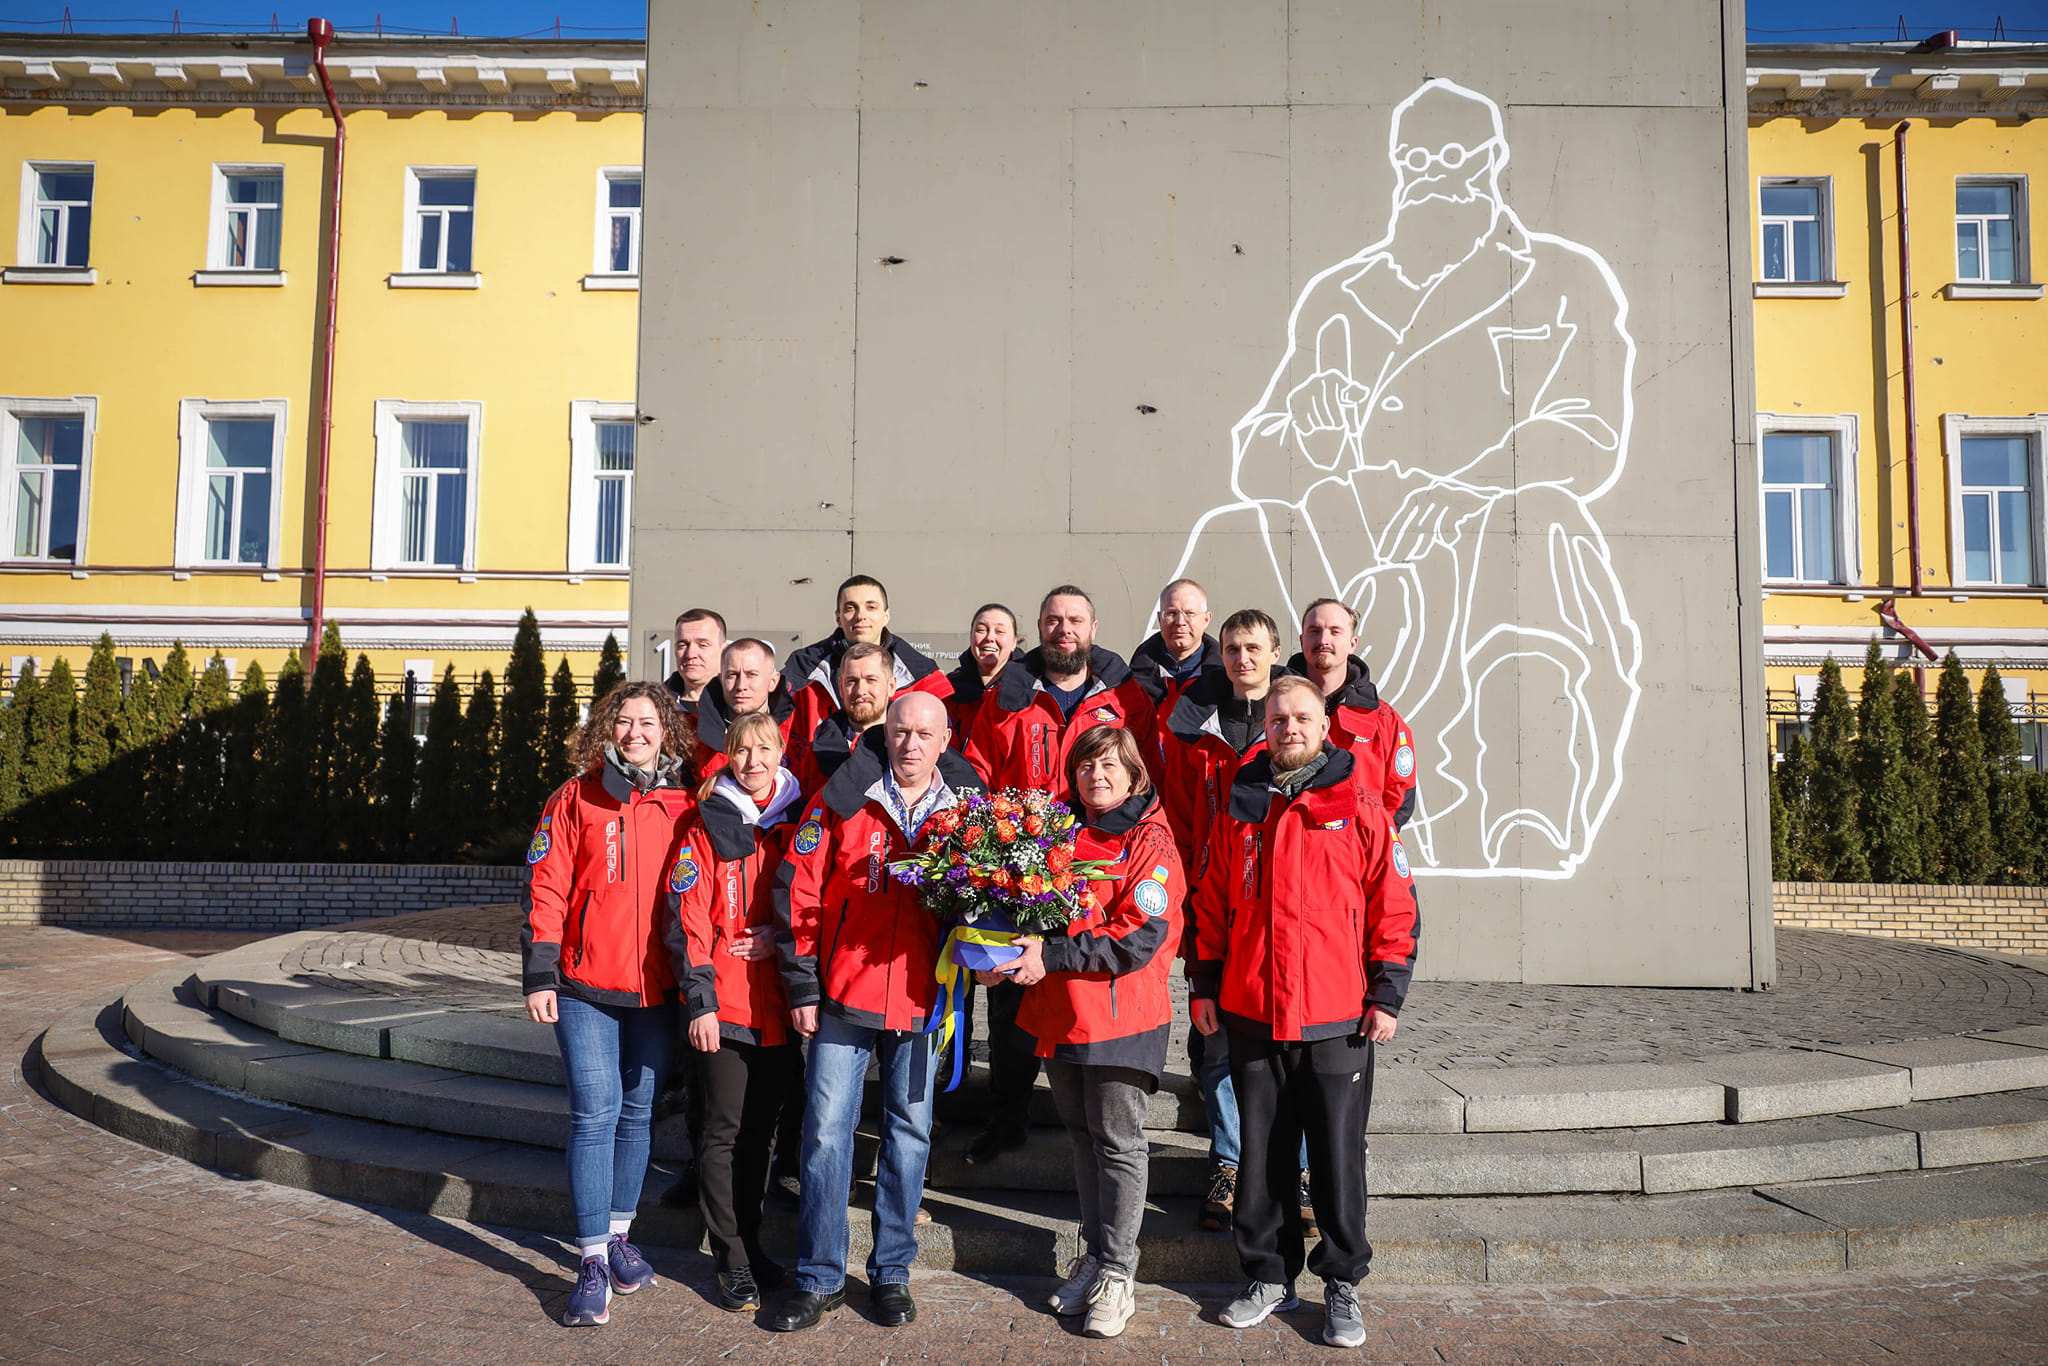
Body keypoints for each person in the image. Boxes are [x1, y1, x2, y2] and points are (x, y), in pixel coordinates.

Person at [1164, 77, 1640, 878]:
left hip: (1478, 531)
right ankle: (1231, 781)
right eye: (1417, 159)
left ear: (1491, 164)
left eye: (1456, 157)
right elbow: (1256, 452)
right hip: (1353, 533)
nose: (1436, 175)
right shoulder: (1342, 296)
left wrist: (1473, 486)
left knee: (1538, 523)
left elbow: (1589, 433)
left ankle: (1526, 798)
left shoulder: (1559, 279)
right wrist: (1305, 432)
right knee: (1228, 524)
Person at [1189, 675, 1419, 1350]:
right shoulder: (1240, 807)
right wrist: (1204, 984)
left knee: (1337, 1157)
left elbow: (1393, 903)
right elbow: (1209, 903)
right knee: (1260, 1157)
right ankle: (1268, 1276)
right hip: (1254, 1008)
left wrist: (1387, 992)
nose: (1289, 727)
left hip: (1338, 1014)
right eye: (1279, 718)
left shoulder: (1361, 804)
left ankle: (1341, 1283)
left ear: (1324, 728)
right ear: (1266, 726)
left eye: (1302, 718)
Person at [769, 692, 988, 1333]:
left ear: (945, 740)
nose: (911, 744)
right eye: (899, 732)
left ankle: (891, 1272)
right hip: (842, 996)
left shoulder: (971, 818)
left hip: (924, 1001)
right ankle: (819, 1276)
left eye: (924, 733)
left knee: (909, 1135)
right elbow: (798, 891)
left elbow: (990, 912)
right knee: (825, 1134)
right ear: (883, 735)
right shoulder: (843, 805)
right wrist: (803, 987)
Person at [978, 725, 1184, 1339]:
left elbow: (1139, 936)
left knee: (1118, 1142)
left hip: (1122, 1015)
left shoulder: (1152, 842)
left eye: (1109, 766)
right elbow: (1025, 908)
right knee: (1081, 1138)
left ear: (1134, 774)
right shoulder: (1057, 833)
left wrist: (1052, 956)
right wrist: (994, 956)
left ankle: (1119, 1273)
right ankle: (1095, 1258)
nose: (1097, 776)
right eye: (1087, 766)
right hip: (1058, 1012)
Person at [520, 681, 698, 1328]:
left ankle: (621, 1236)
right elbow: (547, 886)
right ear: (607, 729)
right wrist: (540, 974)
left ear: (667, 732)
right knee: (595, 1114)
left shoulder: (687, 803)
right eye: (623, 722)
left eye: (648, 722)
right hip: (584, 986)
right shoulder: (576, 798)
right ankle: (591, 1257)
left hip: (656, 992)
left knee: (638, 1114)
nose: (635, 732)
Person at [961, 584, 1157, 1166]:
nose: (1063, 629)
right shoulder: (1009, 698)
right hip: (1017, 867)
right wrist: (994, 842)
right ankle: (1008, 1115)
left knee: (1082, 975)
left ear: (1092, 629)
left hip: (1097, 864)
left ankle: (1087, 1106)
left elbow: (1146, 774)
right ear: (1038, 629)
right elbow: (976, 770)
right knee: (1009, 997)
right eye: (1052, 620)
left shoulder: (1124, 699)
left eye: (1074, 620)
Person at [1153, 608, 1307, 1235]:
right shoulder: (1196, 733)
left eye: (1255, 648)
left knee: (1292, 1051)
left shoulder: (1294, 726)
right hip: (1219, 910)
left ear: (1276, 653)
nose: (1244, 658)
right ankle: (1229, 1163)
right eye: (1234, 648)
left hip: (1288, 918)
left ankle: (1295, 1172)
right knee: (1216, 1043)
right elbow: (1183, 825)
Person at [665, 708, 805, 1314]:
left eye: (764, 749)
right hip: (722, 1005)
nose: (753, 762)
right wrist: (700, 1001)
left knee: (761, 1136)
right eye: (742, 750)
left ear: (781, 753)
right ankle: (730, 1258)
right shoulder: (705, 825)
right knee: (721, 1132)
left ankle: (751, 1242)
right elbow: (685, 917)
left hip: (780, 1005)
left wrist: (781, 938)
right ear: (729, 755)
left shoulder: (800, 820)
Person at [1293, 599, 1418, 830]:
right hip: (1293, 852)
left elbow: (1399, 796)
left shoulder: (1385, 720)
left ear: (1352, 644)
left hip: (1358, 858)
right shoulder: (1276, 710)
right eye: (1314, 631)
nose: (1323, 640)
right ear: (1302, 641)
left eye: (1335, 631)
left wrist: (1369, 842)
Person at [782, 574, 952, 742]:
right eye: (850, 608)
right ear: (838, 618)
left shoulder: (924, 679)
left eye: (871, 607)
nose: (860, 616)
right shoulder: (802, 673)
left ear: (886, 616)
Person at [792, 640, 893, 797]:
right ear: (840, 688)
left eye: (871, 680)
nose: (860, 691)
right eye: (852, 681)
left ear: (891, 686)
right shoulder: (816, 752)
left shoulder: (911, 745)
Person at [695, 637, 802, 775]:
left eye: (752, 674)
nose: (741, 686)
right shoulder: (693, 737)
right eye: (732, 675)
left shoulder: (799, 730)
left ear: (773, 681)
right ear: (721, 680)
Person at [1130, 578, 1220, 711]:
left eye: (1190, 613)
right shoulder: (1134, 680)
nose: (1180, 622)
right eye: (1172, 613)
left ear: (1206, 619)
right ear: (1160, 619)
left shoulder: (1225, 679)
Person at [943, 602, 1019, 750]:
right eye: (981, 630)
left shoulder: (1030, 691)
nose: (990, 637)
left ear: (1014, 642)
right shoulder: (950, 692)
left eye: (1000, 631)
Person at [664, 607, 728, 724]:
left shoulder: (738, 706)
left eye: (703, 645)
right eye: (683, 645)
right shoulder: (655, 707)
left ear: (724, 651)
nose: (690, 654)